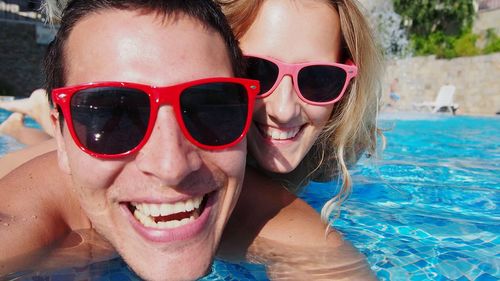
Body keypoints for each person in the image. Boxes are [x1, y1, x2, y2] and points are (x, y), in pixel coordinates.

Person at [1, 0, 381, 279]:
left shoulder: (330, 156)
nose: (283, 108)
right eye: (112, 113)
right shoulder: (47, 205)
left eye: (318, 79)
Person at [1, 0, 260, 280]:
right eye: (113, 112)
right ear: (63, 142)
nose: (171, 168)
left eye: (208, 107)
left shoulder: (250, 201)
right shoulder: (26, 223)